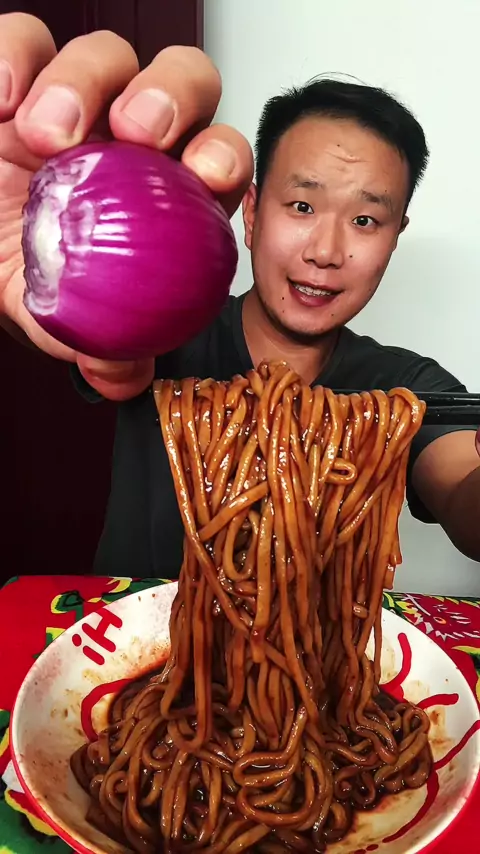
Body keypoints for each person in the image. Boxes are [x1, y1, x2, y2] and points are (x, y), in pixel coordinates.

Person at [0, 13, 478, 578]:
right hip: (133, 631)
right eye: (302, 206)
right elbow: (42, 322)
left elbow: (462, 494)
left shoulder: (407, 388)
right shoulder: (160, 333)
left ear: (395, 238)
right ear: (250, 214)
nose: (326, 251)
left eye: (366, 220)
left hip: (323, 643)